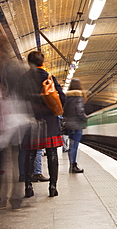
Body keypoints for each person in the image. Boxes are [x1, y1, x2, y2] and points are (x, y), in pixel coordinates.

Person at [17, 51, 66, 198]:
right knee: (52, 154)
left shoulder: (22, 80)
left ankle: (28, 187)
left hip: (31, 121)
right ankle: (52, 187)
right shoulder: (49, 77)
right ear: (42, 62)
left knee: (30, 154)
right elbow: (61, 98)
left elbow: (18, 100)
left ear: (28, 63)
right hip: (49, 121)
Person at [63, 79, 87, 173]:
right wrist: (85, 118)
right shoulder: (78, 96)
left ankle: (71, 165)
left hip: (68, 124)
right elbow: (79, 110)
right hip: (76, 125)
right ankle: (73, 165)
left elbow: (63, 110)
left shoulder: (66, 97)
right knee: (75, 146)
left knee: (71, 145)